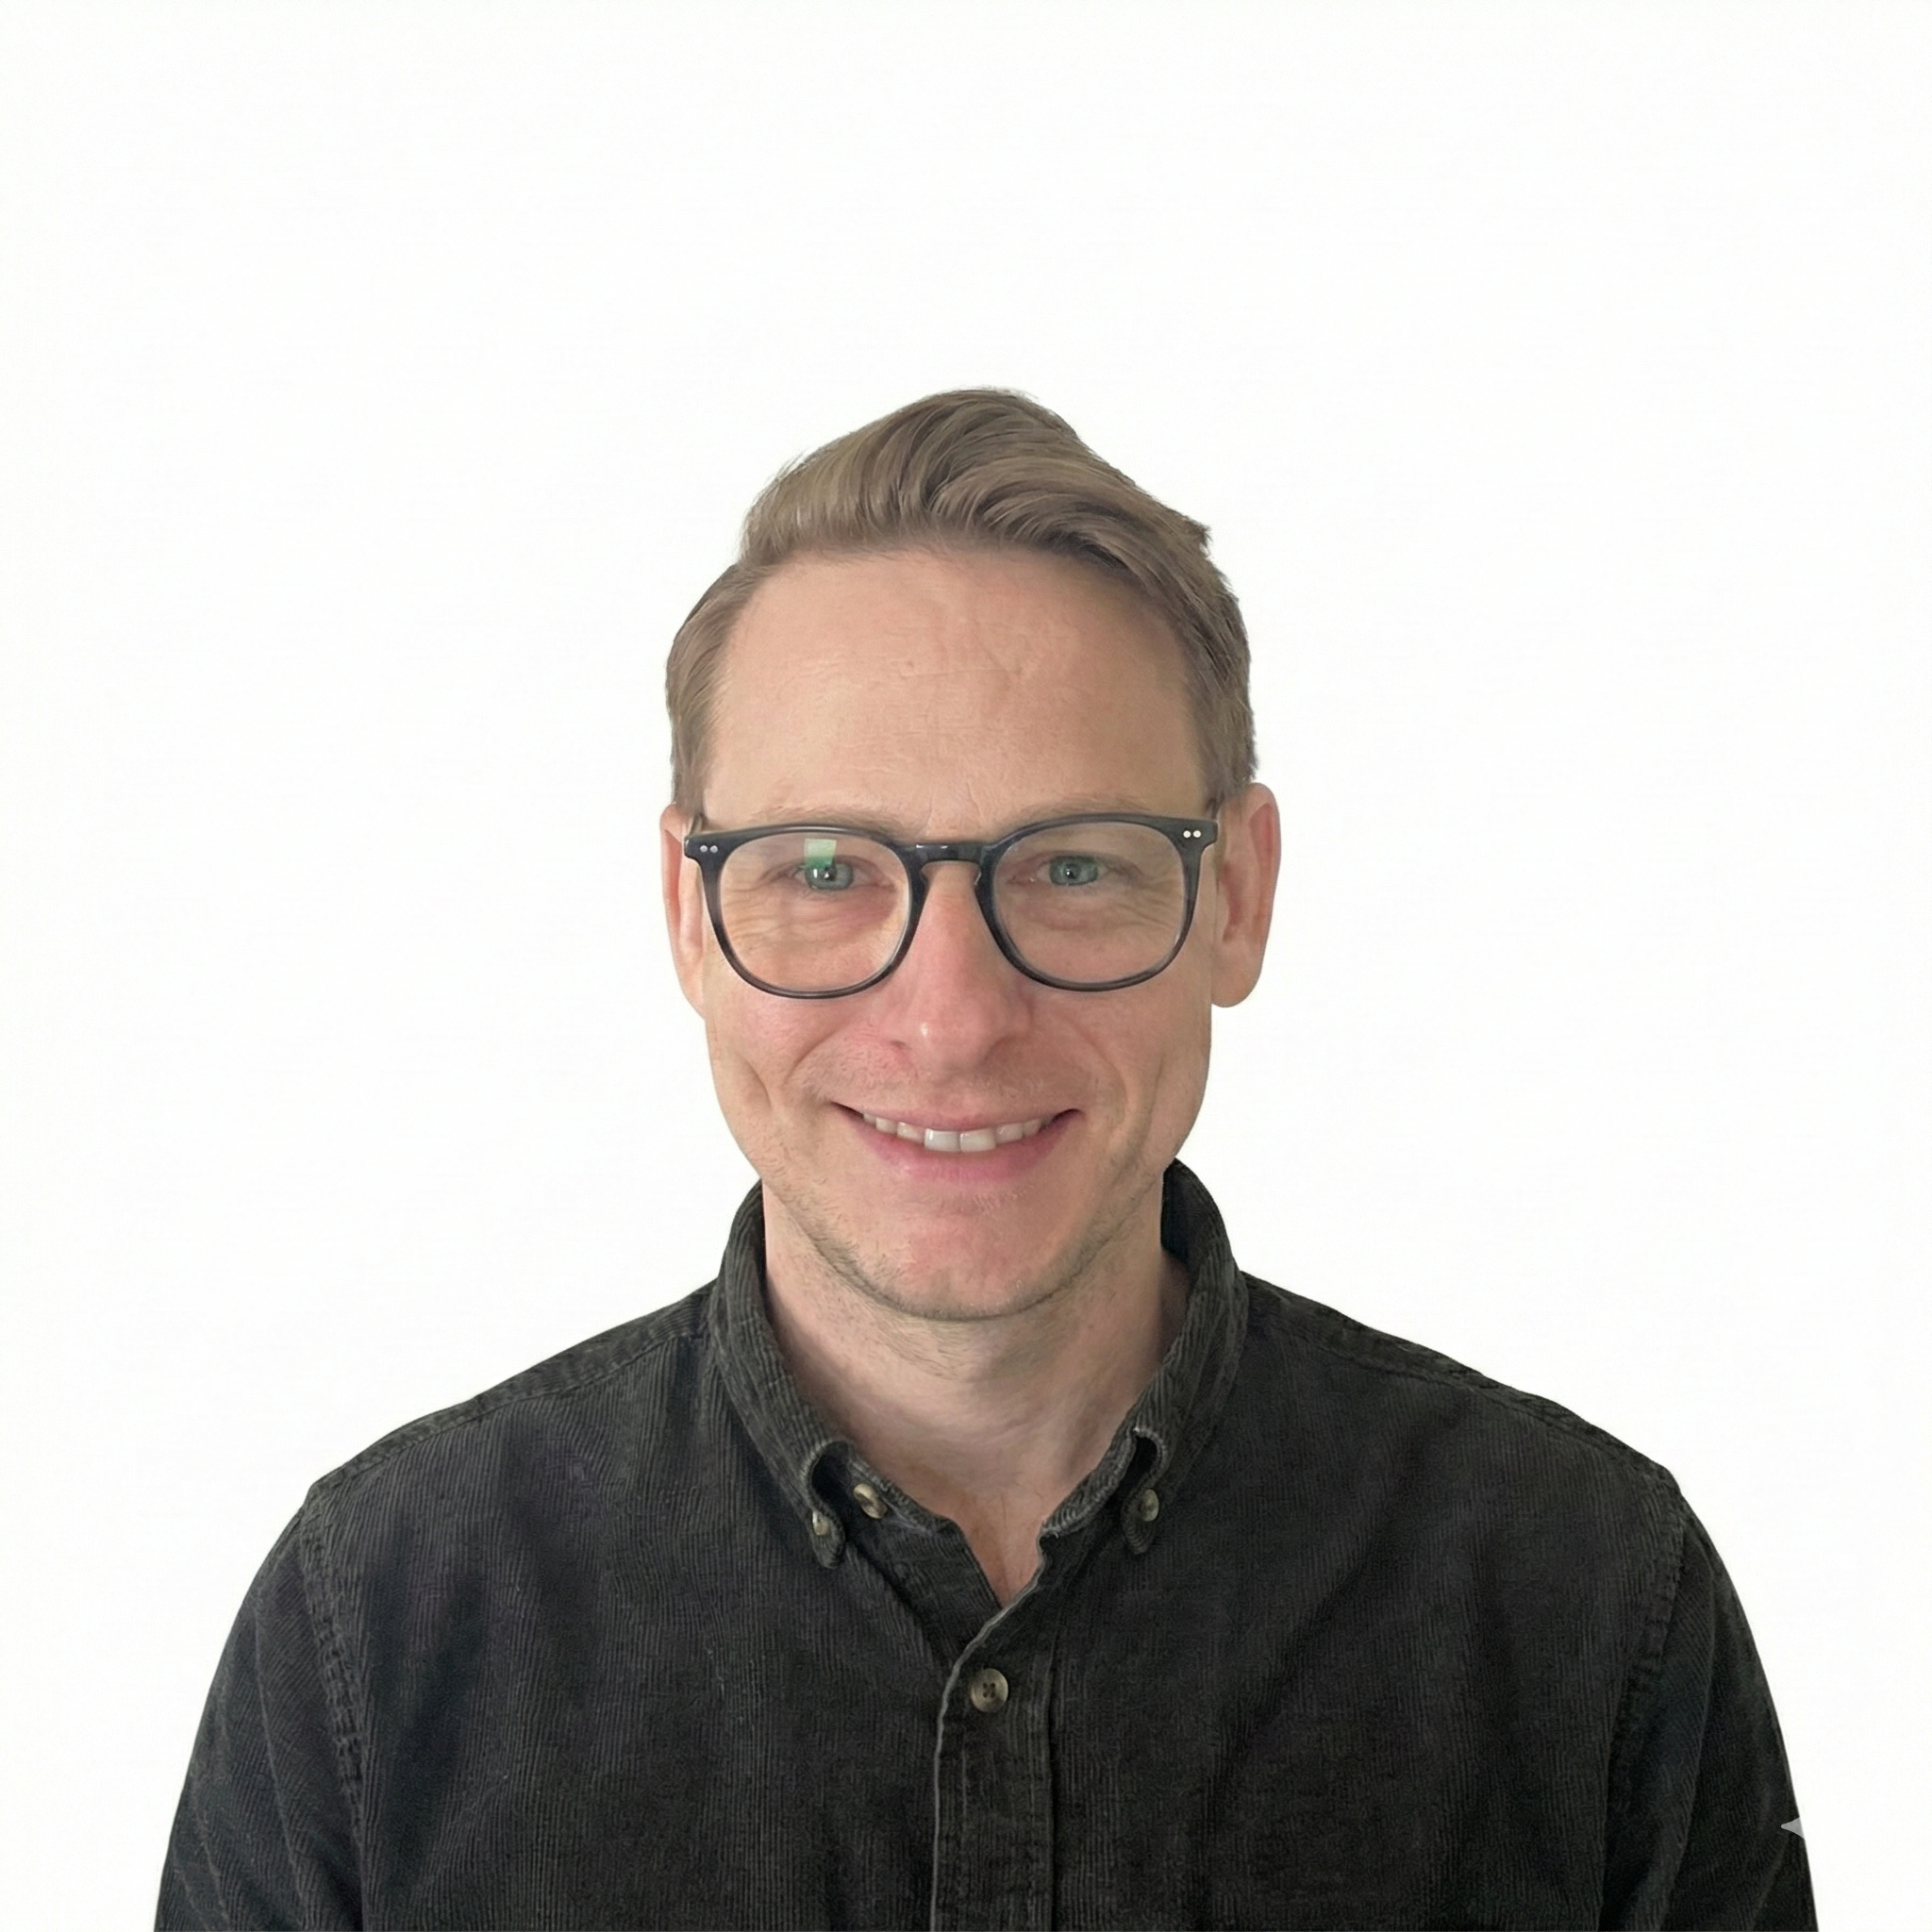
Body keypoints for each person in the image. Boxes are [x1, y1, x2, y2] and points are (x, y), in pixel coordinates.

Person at [158, 390, 1816, 1931]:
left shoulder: (1591, 1606)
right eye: (825, 869)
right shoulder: (373, 1631)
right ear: (687, 911)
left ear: (1236, 897)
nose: (950, 1020)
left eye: (1076, 870)